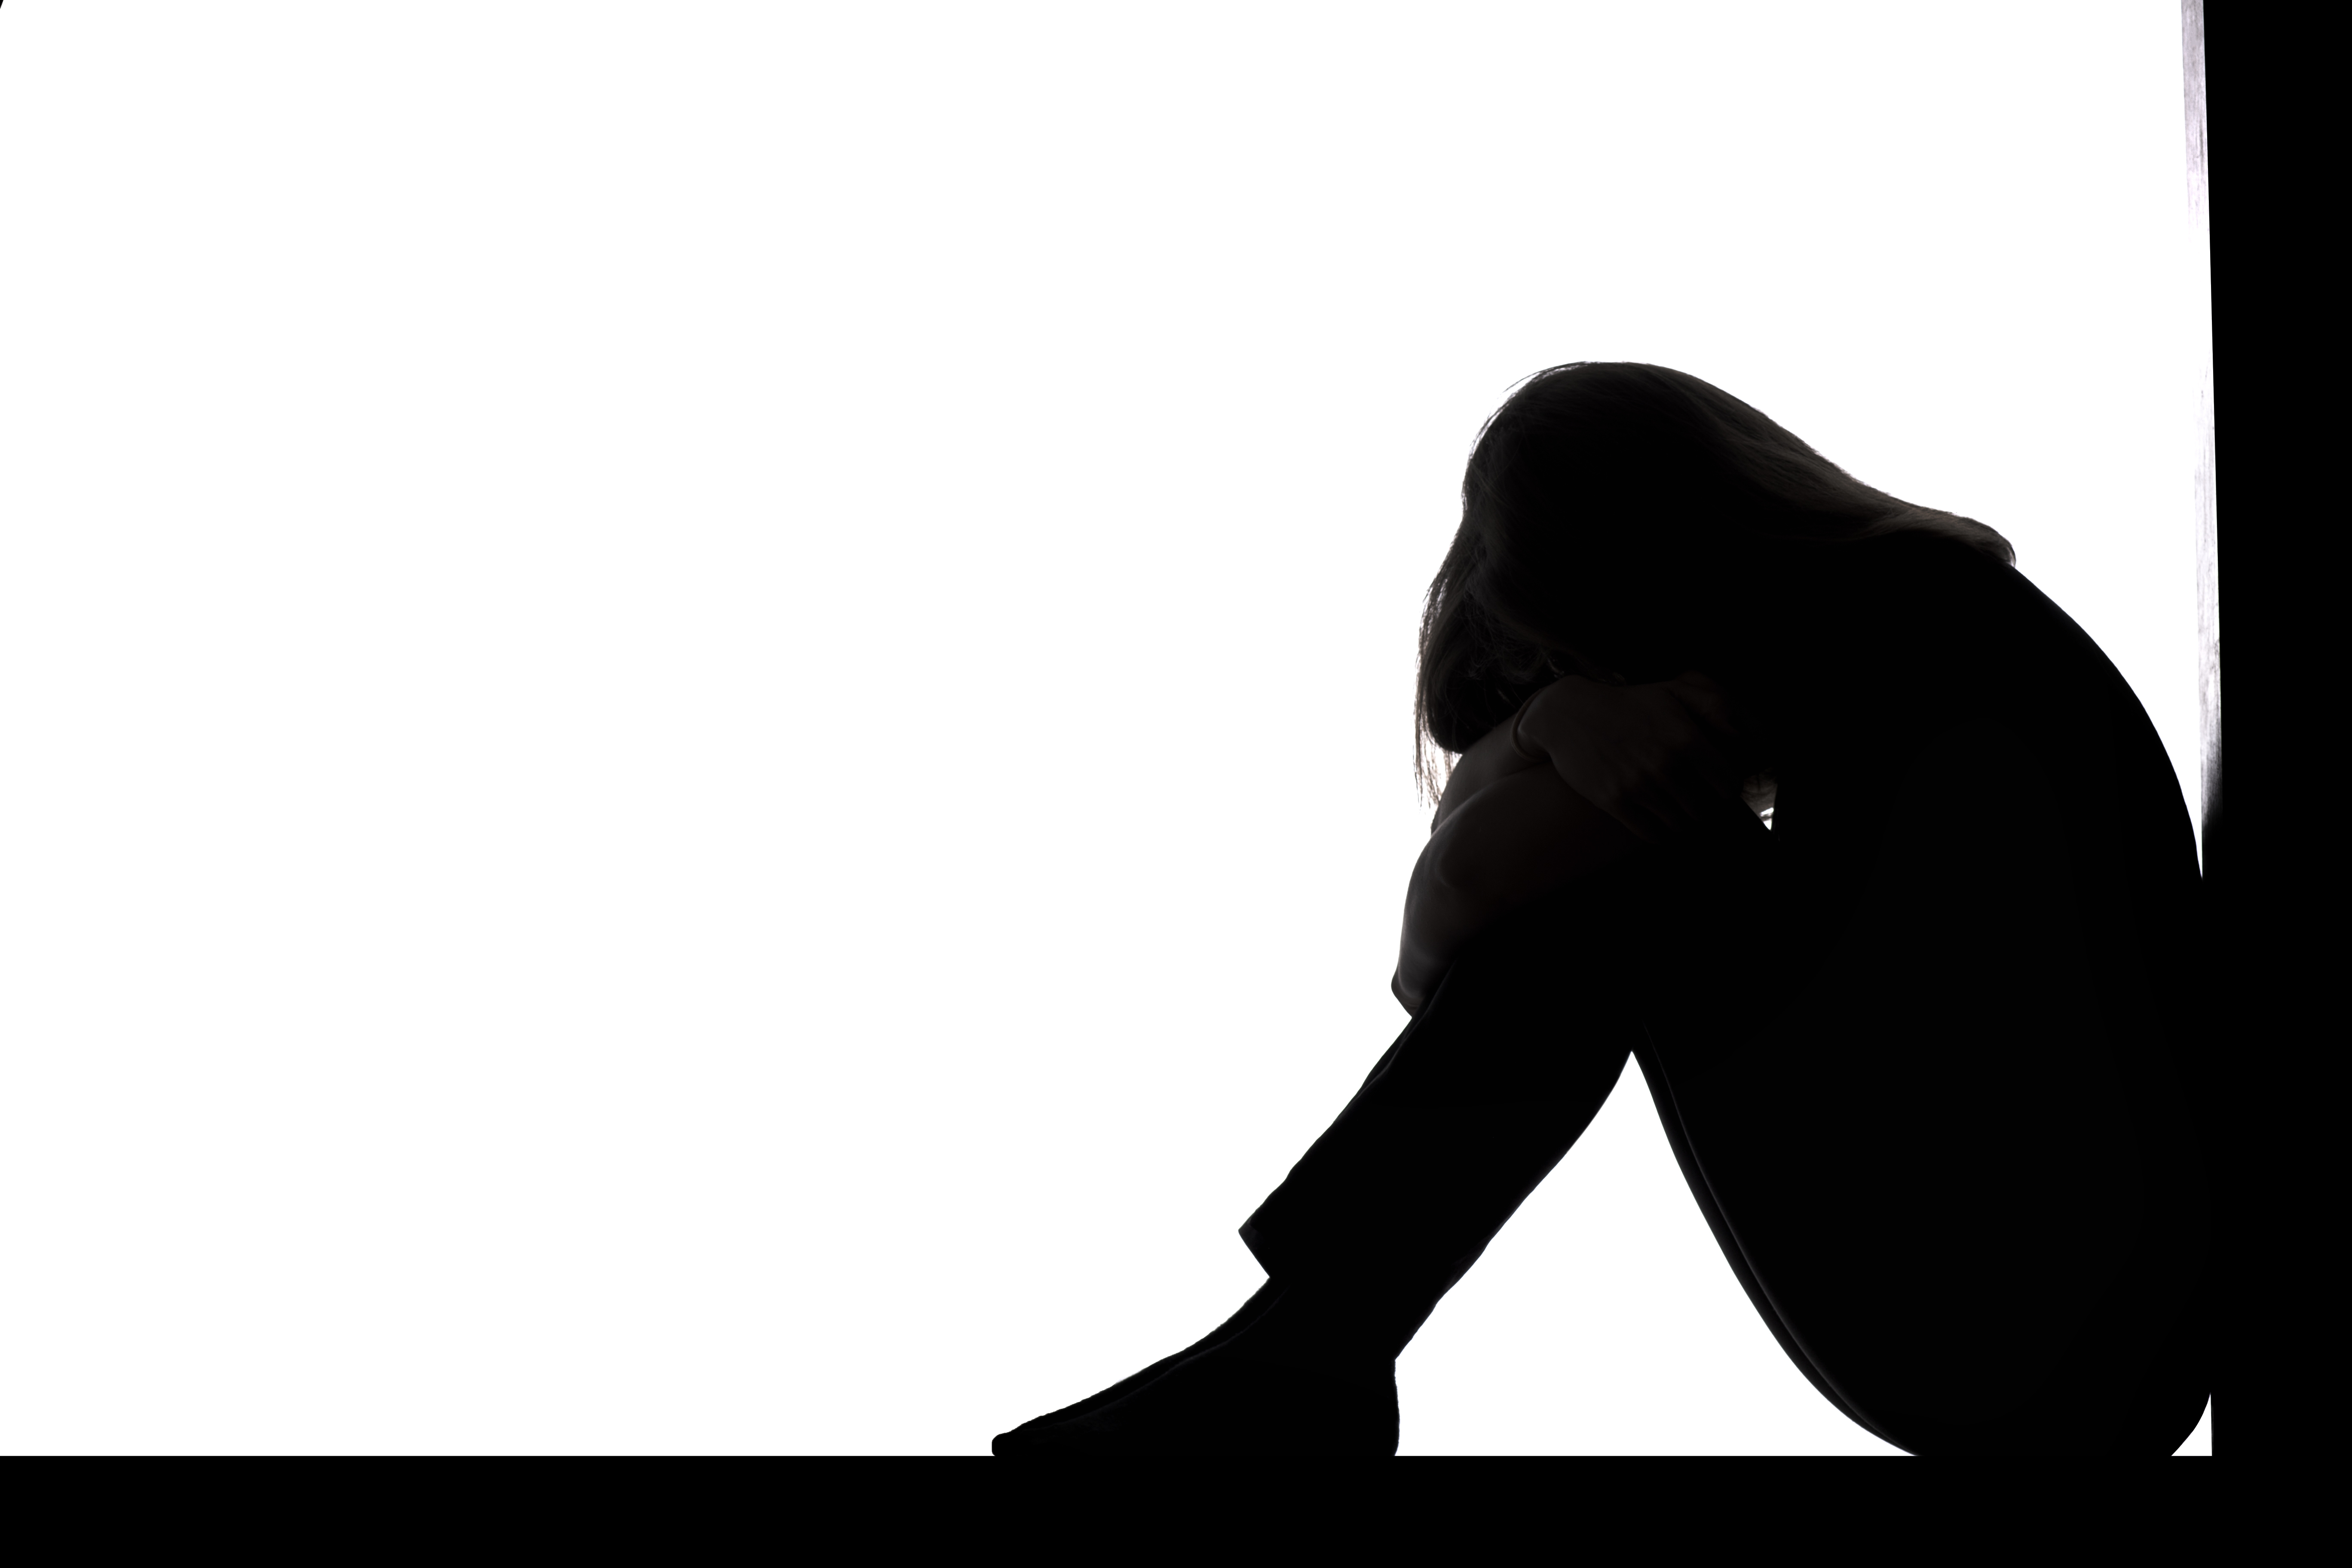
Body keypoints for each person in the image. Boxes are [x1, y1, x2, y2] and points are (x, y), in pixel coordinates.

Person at [992, 362, 2214, 1456]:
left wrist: (1552, 736)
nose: (1621, 686)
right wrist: (1548, 729)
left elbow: (1455, 928)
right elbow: (1455, 944)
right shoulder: (1916, 620)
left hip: (2042, 1330)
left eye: (1589, 652)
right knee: (1638, 876)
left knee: (1630, 882)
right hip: (2064, 1318)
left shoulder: (1881, 624)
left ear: (1647, 548)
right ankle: (1309, 1351)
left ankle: (1309, 1352)